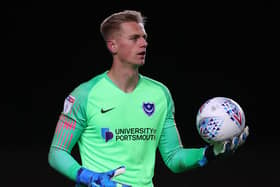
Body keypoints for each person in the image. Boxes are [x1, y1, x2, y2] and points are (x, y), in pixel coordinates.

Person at [48, 10, 249, 187]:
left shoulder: (160, 94)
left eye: (144, 37)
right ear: (113, 45)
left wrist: (208, 153)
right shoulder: (84, 95)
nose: (144, 43)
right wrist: (90, 177)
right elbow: (57, 153)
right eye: (135, 38)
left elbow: (174, 158)